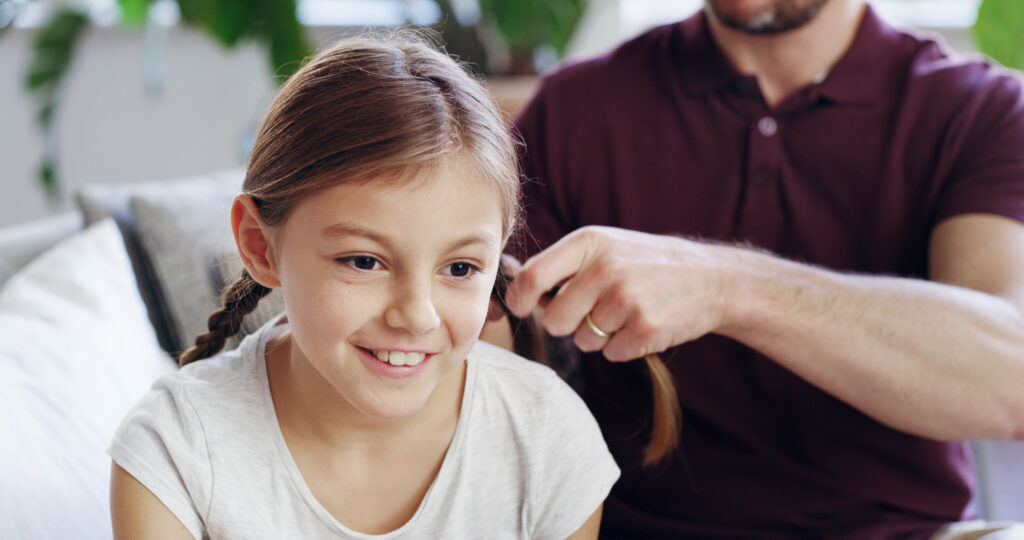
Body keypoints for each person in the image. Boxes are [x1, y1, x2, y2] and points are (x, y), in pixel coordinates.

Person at [503, 0, 1024, 537]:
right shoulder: (574, 104)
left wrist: (727, 286)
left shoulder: (980, 109)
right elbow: (498, 338)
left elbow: (1012, 385)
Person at [107, 34, 619, 539]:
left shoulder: (550, 440)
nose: (416, 315)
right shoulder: (174, 449)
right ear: (261, 247)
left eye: (461, 268)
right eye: (364, 261)